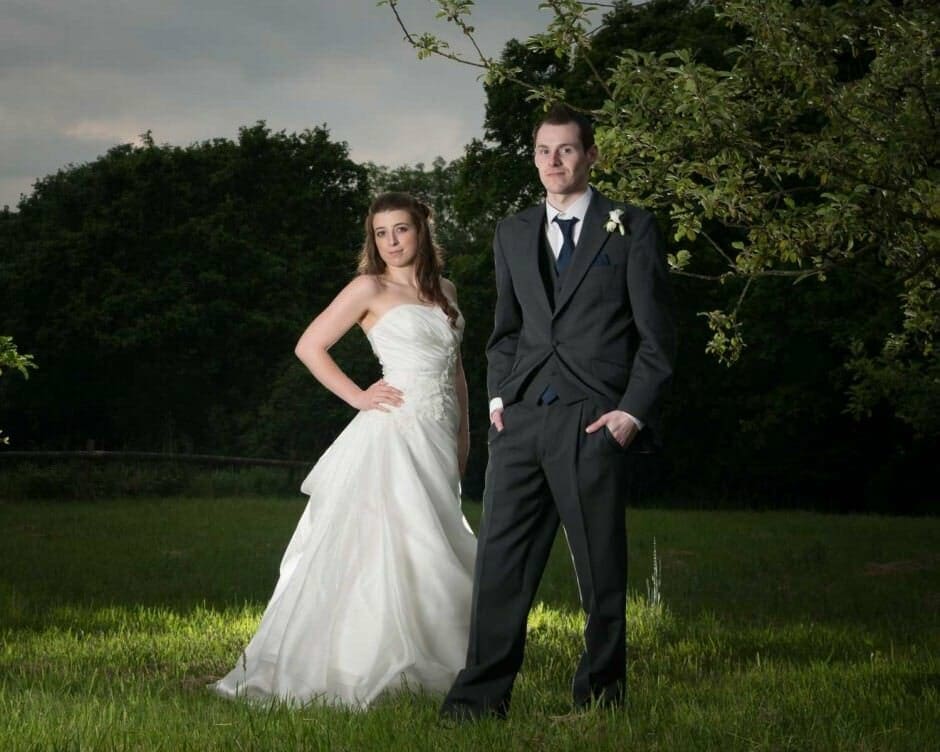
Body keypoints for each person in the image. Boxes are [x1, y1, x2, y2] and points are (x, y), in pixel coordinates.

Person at [441, 105, 676, 720]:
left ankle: (601, 698)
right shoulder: (512, 231)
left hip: (594, 420)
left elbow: (657, 338)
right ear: (534, 156)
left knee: (600, 570)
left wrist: (630, 413)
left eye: (567, 150)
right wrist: (497, 397)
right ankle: (476, 703)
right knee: (499, 564)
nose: (554, 161)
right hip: (520, 420)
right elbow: (505, 331)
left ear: (590, 155)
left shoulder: (631, 226)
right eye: (545, 150)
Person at [211, 192, 477, 709]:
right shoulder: (367, 288)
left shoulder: (445, 289)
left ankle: (446, 657)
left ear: (423, 230)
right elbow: (309, 345)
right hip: (392, 432)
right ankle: (368, 659)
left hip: (438, 432)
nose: (391, 242)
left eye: (401, 229)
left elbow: (457, 372)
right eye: (381, 233)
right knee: (392, 544)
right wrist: (358, 395)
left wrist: (464, 438)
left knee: (435, 538)